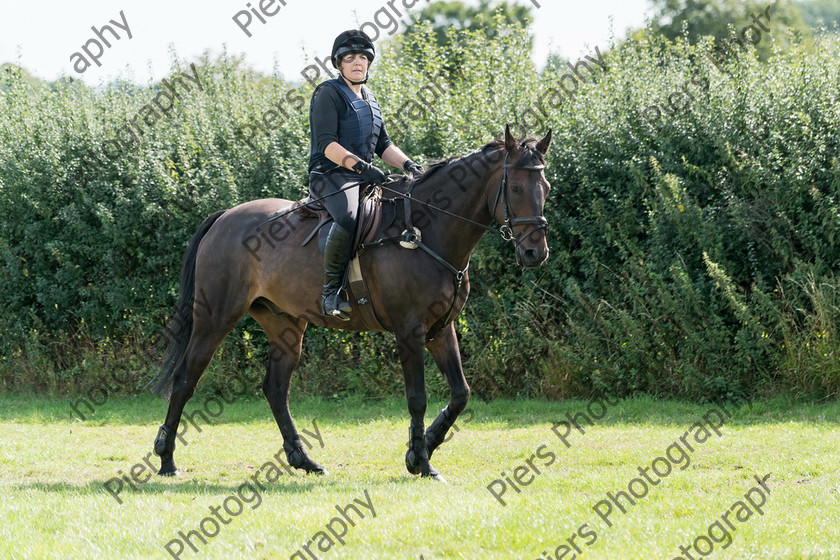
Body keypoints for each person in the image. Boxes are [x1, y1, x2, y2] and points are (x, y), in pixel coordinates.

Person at [308, 29, 424, 321]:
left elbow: (383, 145)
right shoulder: (328, 93)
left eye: (362, 57)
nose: (357, 62)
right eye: (350, 57)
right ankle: (330, 294)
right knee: (348, 216)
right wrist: (362, 167)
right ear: (339, 63)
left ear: (369, 63)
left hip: (363, 176)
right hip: (331, 175)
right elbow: (327, 144)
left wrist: (408, 165)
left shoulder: (371, 98)